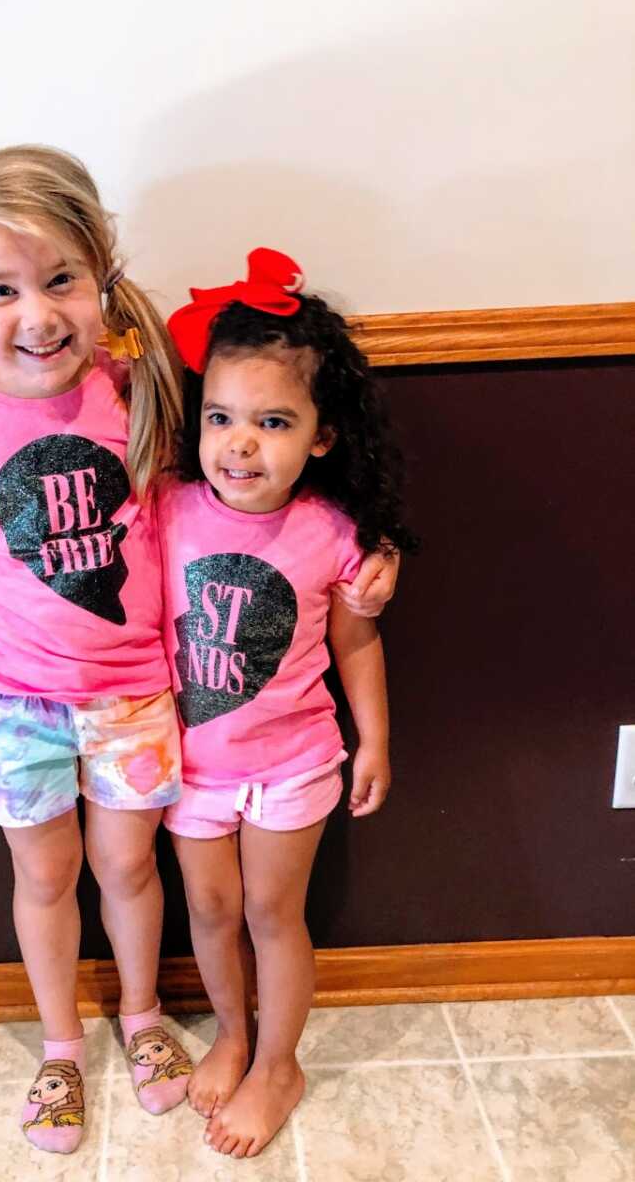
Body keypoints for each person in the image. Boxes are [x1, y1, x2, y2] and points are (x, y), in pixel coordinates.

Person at [0, 144, 196, 1154]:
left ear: (99, 273)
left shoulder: (140, 389)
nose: (37, 314)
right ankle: (61, 1046)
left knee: (129, 868)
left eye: (60, 278)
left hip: (134, 696)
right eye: (0, 289)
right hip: (9, 702)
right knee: (43, 877)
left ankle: (146, 1018)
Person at [159, 248, 418, 1159]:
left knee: (274, 915)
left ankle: (279, 1064)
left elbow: (355, 641)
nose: (240, 444)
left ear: (319, 435)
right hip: (185, 766)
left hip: (294, 762)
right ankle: (233, 1033)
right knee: (213, 911)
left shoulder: (335, 533)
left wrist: (375, 739)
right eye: (222, 418)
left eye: (272, 422)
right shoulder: (165, 509)